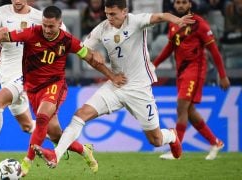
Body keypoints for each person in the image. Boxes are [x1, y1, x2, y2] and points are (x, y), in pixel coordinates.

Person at [0, 5, 127, 176]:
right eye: (45, 25)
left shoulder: (67, 40)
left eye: (51, 26)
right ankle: (84, 150)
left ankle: (26, 163)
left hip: (55, 85)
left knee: (41, 118)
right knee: (54, 134)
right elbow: (3, 36)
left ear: (59, 24)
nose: (47, 30)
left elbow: (90, 59)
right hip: (33, 88)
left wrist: (111, 75)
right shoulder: (32, 33)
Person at [32, 0, 196, 169]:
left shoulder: (136, 21)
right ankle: (56, 155)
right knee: (81, 114)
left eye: (113, 14)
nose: (108, 17)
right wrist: (93, 52)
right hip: (116, 84)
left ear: (124, 12)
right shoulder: (102, 29)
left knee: (156, 140)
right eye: (106, 13)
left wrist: (176, 19)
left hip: (139, 88)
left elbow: (160, 16)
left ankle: (171, 136)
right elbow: (83, 49)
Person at [0, 0, 68, 170]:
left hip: (28, 73)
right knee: (27, 125)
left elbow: (63, 37)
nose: (18, 1)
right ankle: (66, 143)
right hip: (7, 73)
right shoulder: (1, 12)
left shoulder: (39, 17)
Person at [153, 0, 230, 160]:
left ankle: (177, 151)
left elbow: (214, 51)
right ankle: (215, 142)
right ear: (174, 5)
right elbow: (170, 48)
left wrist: (222, 75)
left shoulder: (199, 24)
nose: (180, 5)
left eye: (184, 2)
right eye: (178, 2)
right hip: (181, 72)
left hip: (195, 71)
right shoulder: (173, 23)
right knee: (189, 111)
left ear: (190, 5)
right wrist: (154, 65)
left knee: (181, 108)